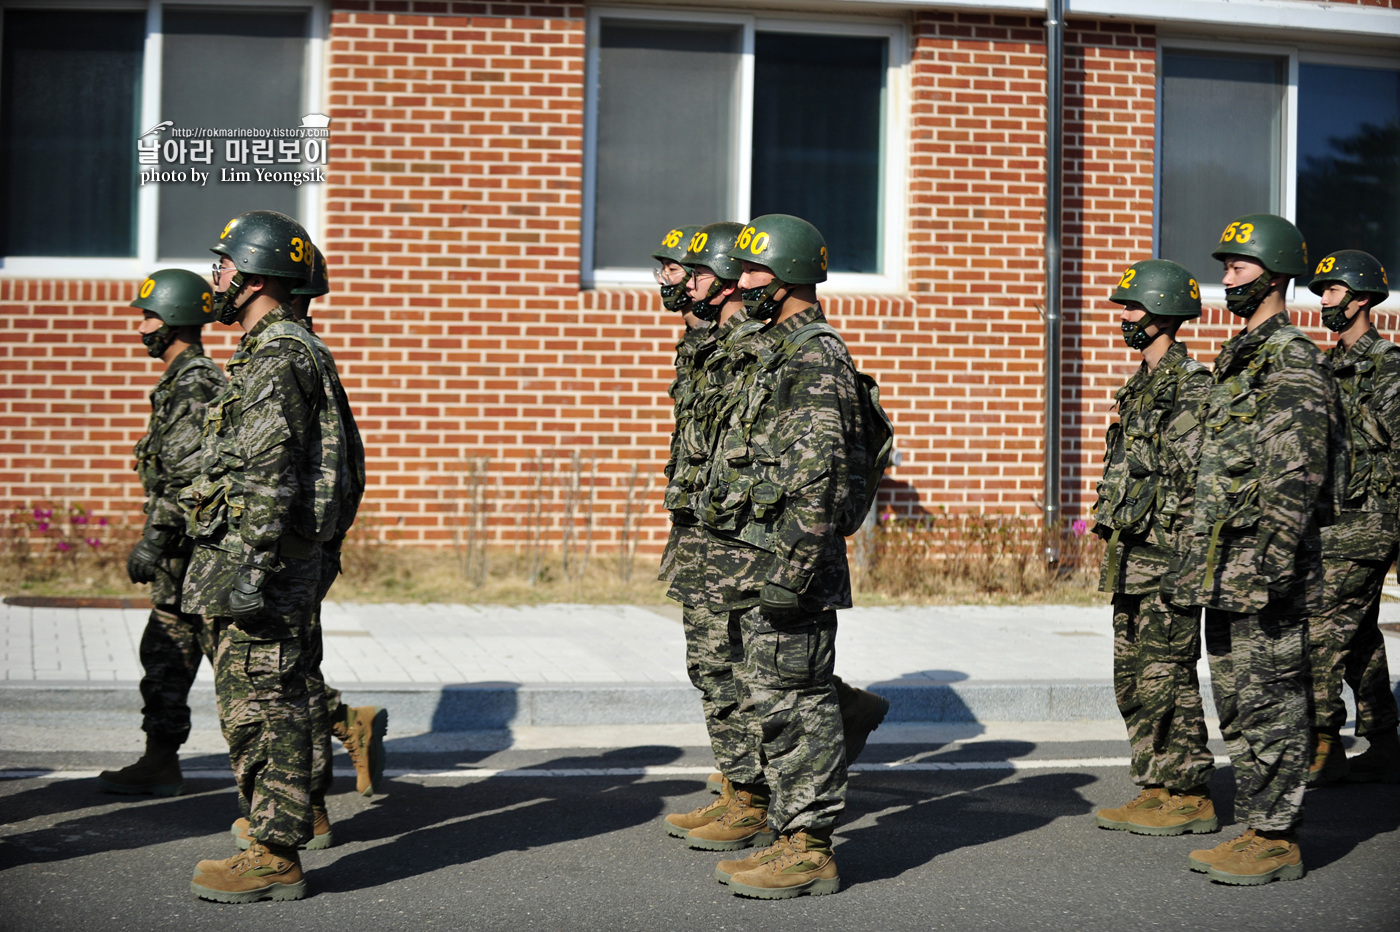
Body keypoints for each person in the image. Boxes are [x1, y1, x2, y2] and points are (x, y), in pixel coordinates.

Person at [180, 209, 353, 903]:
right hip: (273, 554)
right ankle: (287, 820)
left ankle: (274, 851)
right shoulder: (275, 349)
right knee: (278, 691)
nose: (215, 277)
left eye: (224, 266)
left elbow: (266, 472)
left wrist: (250, 567)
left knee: (261, 703)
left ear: (256, 279)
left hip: (264, 558)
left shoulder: (279, 356)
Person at [696, 214, 863, 899]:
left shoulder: (814, 355)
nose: (745, 282)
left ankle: (811, 848)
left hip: (793, 562)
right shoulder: (771, 348)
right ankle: (789, 832)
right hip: (757, 556)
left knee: (799, 704)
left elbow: (819, 478)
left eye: (757, 272)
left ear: (790, 276)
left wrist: (791, 574)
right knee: (775, 699)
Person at [1173, 213, 1334, 886]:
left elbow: (1296, 472)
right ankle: (1257, 823)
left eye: (1236, 268)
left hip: (1263, 566)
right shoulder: (1241, 356)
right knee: (1239, 699)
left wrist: (1274, 564)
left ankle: (1277, 837)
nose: (1225, 277)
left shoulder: (1290, 358)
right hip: (1223, 564)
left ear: (1269, 276)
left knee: (1271, 698)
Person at [1091, 259, 1217, 836]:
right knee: (1133, 674)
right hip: (1132, 556)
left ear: (1165, 313)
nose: (1126, 318)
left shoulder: (1192, 388)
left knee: (1168, 674)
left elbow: (1195, 484)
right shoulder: (1138, 388)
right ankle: (1155, 782)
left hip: (1170, 557)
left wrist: (1189, 565)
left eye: (1134, 308)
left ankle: (1189, 792)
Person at [660, 221, 771, 842]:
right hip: (702, 533)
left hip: (744, 543)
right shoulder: (704, 347)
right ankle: (739, 783)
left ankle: (752, 797)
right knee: (711, 665)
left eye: (691, 272)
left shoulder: (759, 350)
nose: (678, 281)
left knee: (752, 668)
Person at [97, 269, 224, 797]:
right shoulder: (178, 382)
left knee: (247, 667)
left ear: (172, 320)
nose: (141, 327)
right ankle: (160, 761)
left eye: (148, 316)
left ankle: (337, 727)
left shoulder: (195, 384)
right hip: (181, 557)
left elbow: (189, 476)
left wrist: (154, 538)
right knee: (164, 655)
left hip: (201, 557)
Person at [1306, 249, 1400, 785]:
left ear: (1361, 298)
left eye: (1332, 291)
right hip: (1331, 525)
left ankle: (1322, 741)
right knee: (1358, 632)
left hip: (1368, 525)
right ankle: (1384, 739)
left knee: (1320, 633)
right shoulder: (1325, 366)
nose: (1323, 300)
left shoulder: (1389, 368)